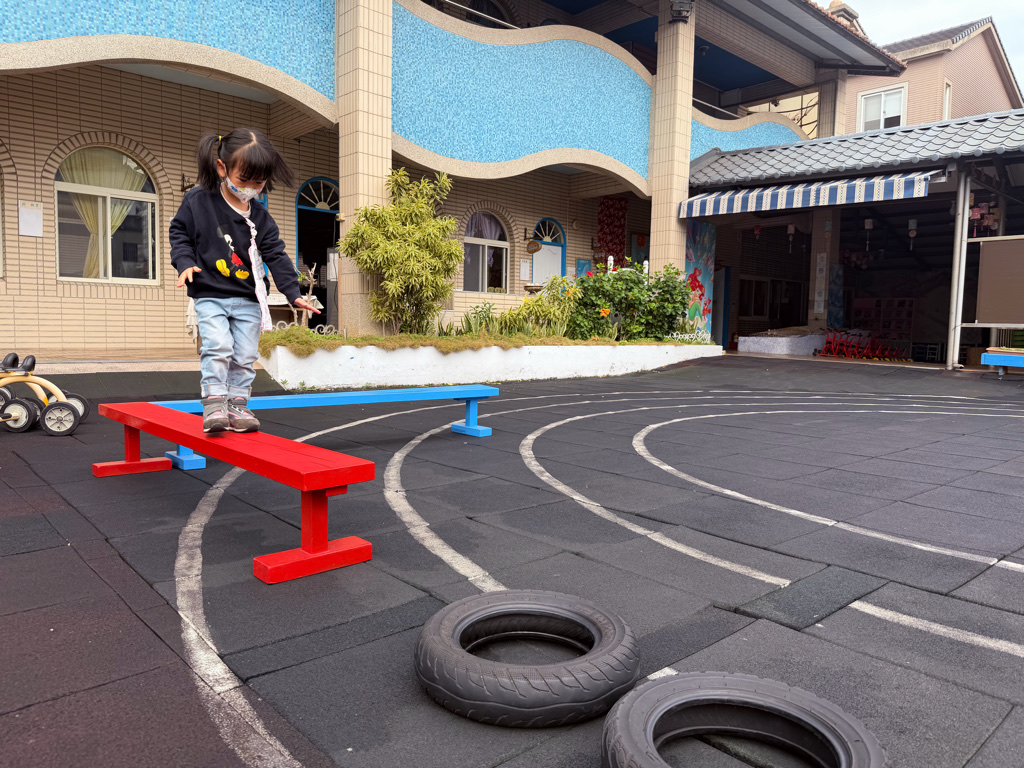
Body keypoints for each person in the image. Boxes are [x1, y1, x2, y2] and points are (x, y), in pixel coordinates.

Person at [170, 128, 319, 433]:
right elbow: (179, 233)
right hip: (210, 293)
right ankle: (214, 402)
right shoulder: (199, 201)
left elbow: (276, 254)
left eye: (259, 183)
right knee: (218, 346)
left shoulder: (261, 217)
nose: (251, 188)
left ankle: (237, 404)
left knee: (245, 354)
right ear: (221, 168)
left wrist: (293, 292)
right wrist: (184, 262)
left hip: (249, 299)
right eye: (244, 180)